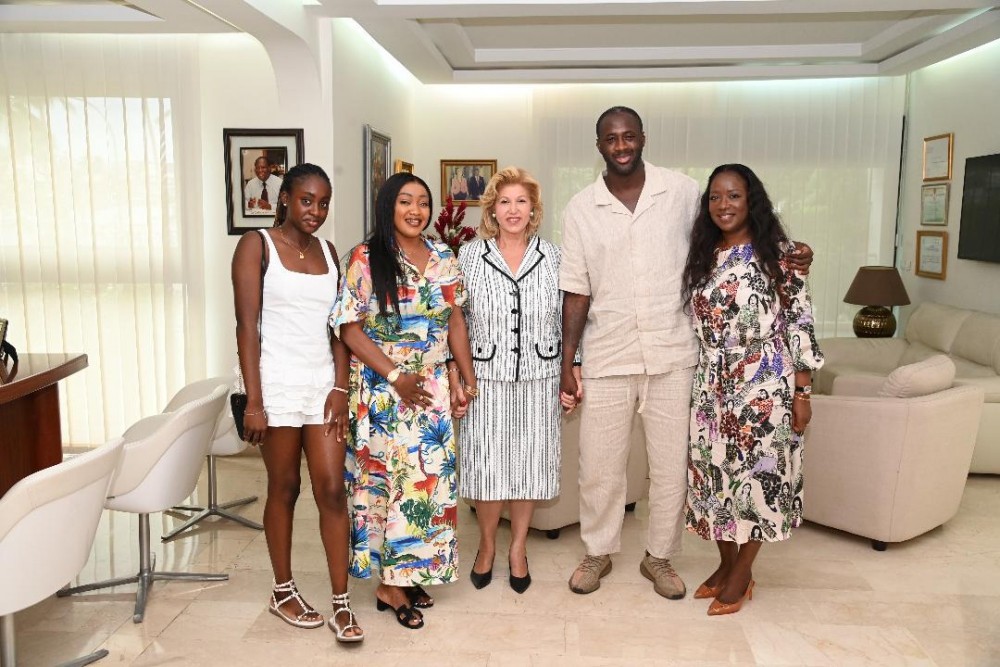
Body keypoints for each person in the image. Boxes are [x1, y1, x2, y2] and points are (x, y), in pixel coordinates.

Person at [559, 106, 813, 600]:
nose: (621, 145)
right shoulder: (579, 208)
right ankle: (598, 552)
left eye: (629, 135)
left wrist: (790, 253)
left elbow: (732, 229)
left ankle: (659, 558)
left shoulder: (680, 192)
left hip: (676, 354)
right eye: (611, 138)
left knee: (673, 466)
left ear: (643, 138)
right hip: (609, 354)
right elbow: (575, 291)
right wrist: (569, 361)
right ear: (599, 146)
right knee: (599, 466)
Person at [331, 172, 477, 630]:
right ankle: (389, 584)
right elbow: (349, 327)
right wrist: (395, 376)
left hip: (430, 389)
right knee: (389, 489)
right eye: (405, 202)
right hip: (383, 389)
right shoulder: (365, 257)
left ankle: (407, 572)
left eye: (423, 203)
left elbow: (453, 320)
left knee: (428, 487)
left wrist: (465, 377)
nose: (416, 211)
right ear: (388, 207)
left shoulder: (442, 255)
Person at [682, 163, 824, 616]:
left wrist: (803, 393)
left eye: (734, 196)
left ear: (752, 200)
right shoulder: (702, 252)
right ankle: (724, 565)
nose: (724, 205)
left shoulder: (780, 254)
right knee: (714, 479)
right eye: (715, 197)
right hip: (711, 384)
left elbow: (800, 321)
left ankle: (742, 574)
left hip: (764, 381)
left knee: (758, 480)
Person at [231, 163, 362, 642]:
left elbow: (340, 328)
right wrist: (255, 401)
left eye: (323, 203)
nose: (316, 211)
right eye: (307, 200)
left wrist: (340, 386)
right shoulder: (256, 245)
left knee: (331, 490)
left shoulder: (330, 252)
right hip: (276, 383)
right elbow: (247, 327)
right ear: (284, 198)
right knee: (284, 486)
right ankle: (282, 590)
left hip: (321, 383)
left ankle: (341, 604)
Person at [452, 166, 581, 595]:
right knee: (488, 468)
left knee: (528, 466)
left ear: (533, 209)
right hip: (485, 379)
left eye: (520, 202)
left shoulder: (556, 257)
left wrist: (573, 368)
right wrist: (458, 375)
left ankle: (518, 549)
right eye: (504, 202)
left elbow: (571, 320)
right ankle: (487, 546)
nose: (513, 210)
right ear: (492, 209)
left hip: (539, 378)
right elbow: (457, 321)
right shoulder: (470, 256)